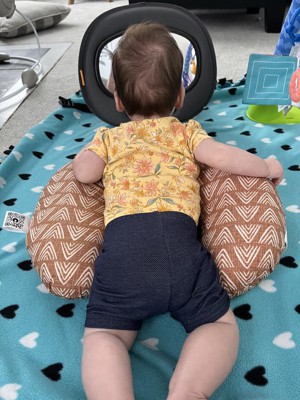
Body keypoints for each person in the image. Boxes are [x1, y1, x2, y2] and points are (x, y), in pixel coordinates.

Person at [73, 22, 283, 400]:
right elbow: (225, 158)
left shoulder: (108, 138)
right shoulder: (187, 133)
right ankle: (187, 392)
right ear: (181, 94)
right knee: (218, 326)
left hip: (123, 256)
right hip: (180, 251)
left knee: (104, 335)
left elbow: (84, 173)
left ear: (117, 99)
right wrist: (267, 167)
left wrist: (87, 153)